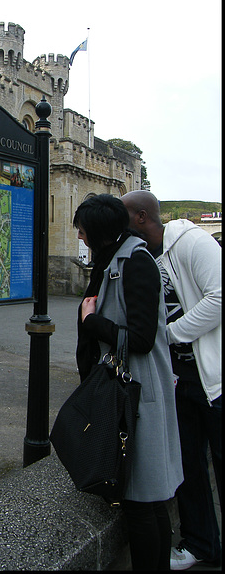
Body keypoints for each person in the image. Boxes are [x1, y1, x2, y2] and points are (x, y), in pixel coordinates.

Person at [74, 193, 183, 571]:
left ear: (101, 232)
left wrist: (92, 323)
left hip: (138, 395)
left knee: (142, 501)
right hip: (123, 394)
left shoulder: (136, 262)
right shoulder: (111, 260)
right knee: (145, 500)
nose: (81, 239)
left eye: (84, 231)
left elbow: (140, 338)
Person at [121, 190, 222, 571]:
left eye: (126, 218)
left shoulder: (192, 241)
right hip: (177, 381)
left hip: (214, 376)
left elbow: (219, 297)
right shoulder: (143, 257)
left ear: (143, 217)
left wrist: (169, 333)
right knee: (189, 467)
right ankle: (201, 545)